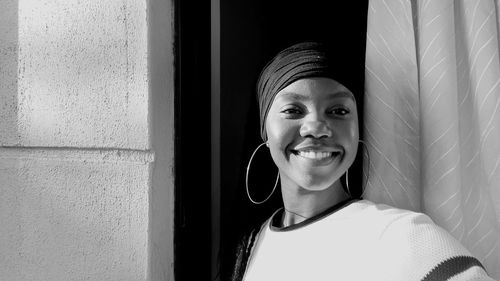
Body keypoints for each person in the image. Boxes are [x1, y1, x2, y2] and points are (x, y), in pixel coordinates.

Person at [231, 42, 494, 281]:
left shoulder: (400, 237)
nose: (316, 127)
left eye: (338, 111)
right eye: (293, 110)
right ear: (265, 130)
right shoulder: (255, 244)